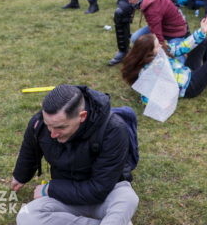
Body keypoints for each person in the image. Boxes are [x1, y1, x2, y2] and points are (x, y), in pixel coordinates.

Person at [11, 85, 139, 225]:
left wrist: (50, 189)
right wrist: (20, 175)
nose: (52, 134)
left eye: (60, 127)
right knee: (26, 216)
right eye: (48, 125)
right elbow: (30, 149)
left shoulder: (114, 129)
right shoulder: (39, 123)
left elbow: (99, 189)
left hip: (106, 194)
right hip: (66, 196)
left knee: (127, 199)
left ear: (82, 116)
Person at [121, 12, 207, 102]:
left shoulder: (161, 51)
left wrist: (202, 31)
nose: (160, 44)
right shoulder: (150, 70)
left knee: (202, 41)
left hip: (187, 72)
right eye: (157, 45)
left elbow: (182, 47)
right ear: (149, 52)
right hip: (190, 87)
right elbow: (148, 95)